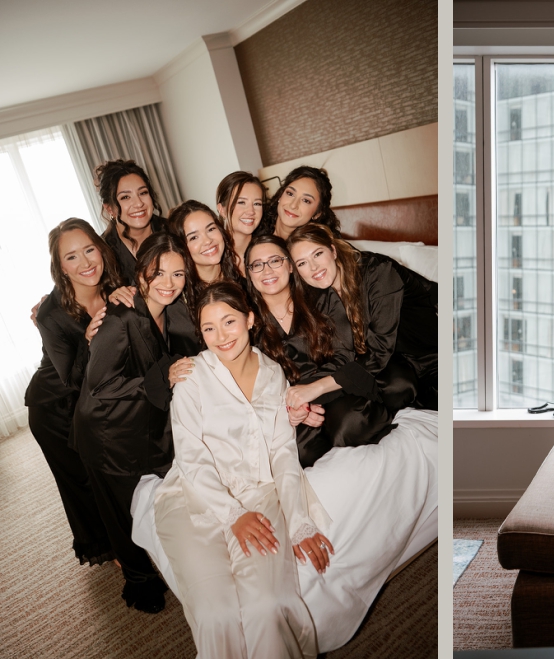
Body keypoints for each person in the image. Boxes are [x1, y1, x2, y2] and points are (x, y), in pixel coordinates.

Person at [154, 281, 332, 658]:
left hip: (259, 494)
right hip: (193, 498)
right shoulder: (190, 377)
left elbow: (283, 453)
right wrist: (232, 514)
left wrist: (299, 521)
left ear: (250, 319)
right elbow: (191, 457)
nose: (221, 336)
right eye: (209, 328)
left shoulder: (273, 375)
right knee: (215, 615)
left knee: (268, 606)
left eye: (229, 322)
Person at [72, 233, 199, 613]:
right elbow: (100, 385)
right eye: (158, 273)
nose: (168, 283)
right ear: (140, 272)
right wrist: (161, 378)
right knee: (122, 513)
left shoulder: (171, 311)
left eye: (178, 274)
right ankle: (139, 582)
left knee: (152, 500)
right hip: (106, 428)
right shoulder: (120, 317)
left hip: (139, 419)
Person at [245, 235, 395, 467]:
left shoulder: (321, 297)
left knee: (351, 425)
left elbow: (344, 356)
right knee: (298, 452)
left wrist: (309, 393)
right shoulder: (247, 320)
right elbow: (252, 378)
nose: (267, 270)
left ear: (290, 266)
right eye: (257, 265)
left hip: (336, 388)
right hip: (291, 405)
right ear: (249, 273)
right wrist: (293, 406)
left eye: (275, 260)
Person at [26, 219, 122, 567]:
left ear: (101, 249)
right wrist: (89, 340)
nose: (85, 262)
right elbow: (71, 379)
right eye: (71, 257)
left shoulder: (114, 287)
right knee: (84, 482)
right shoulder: (50, 314)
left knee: (111, 474)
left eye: (89, 250)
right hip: (55, 406)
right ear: (61, 268)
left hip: (96, 400)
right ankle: (110, 547)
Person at [287, 224, 437, 412]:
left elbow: (379, 349)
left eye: (317, 254)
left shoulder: (378, 271)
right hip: (393, 365)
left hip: (429, 357)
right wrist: (303, 394)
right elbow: (337, 355)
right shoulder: (316, 296)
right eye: (302, 263)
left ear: (333, 250)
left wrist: (318, 387)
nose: (313, 267)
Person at [95, 160, 166, 283]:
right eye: (125, 197)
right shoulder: (102, 252)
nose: (138, 203)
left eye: (143, 193)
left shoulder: (174, 230)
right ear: (109, 208)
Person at [169, 199, 241, 294]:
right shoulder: (180, 296)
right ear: (181, 246)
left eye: (211, 229)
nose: (207, 241)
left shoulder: (243, 281)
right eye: (194, 237)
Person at [257, 166, 341, 239]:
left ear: (317, 214)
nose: (293, 205)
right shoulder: (255, 228)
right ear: (280, 195)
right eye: (290, 194)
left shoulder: (314, 248)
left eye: (306, 201)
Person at [215, 171, 266, 275]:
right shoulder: (214, 258)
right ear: (222, 210)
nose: (251, 211)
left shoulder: (269, 250)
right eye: (241, 202)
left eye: (257, 204)